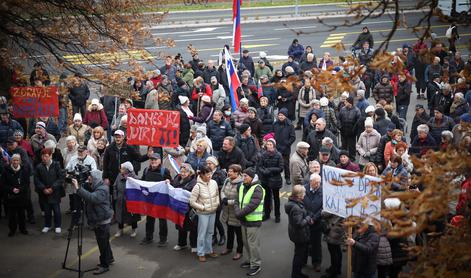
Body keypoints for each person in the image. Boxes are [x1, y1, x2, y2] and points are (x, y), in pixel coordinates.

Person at [73, 170, 114, 275]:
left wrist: (78, 188)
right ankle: (109, 259)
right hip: (99, 219)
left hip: (102, 220)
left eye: (90, 177)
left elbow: (92, 198)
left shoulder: (102, 189)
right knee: (104, 242)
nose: (89, 179)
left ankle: (104, 265)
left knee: (102, 243)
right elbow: (88, 190)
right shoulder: (96, 185)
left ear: (95, 178)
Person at [235, 168, 265, 276]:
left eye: (245, 176)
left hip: (253, 222)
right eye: (243, 176)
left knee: (253, 245)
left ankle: (256, 264)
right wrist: (238, 212)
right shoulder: (242, 186)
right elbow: (236, 201)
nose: (243, 178)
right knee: (246, 242)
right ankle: (250, 260)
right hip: (244, 220)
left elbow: (252, 205)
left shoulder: (258, 188)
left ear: (251, 177)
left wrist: (239, 213)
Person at [189, 165, 220, 262]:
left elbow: (217, 194)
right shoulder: (197, 186)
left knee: (210, 233)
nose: (209, 176)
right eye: (207, 174)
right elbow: (192, 202)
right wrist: (203, 207)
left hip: (213, 212)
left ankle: (209, 250)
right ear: (202, 175)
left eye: (210, 173)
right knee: (202, 234)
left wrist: (217, 203)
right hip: (203, 214)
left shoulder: (214, 183)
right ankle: (201, 253)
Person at [140, 153, 172, 246]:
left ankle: (163, 239)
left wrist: (168, 181)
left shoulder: (164, 171)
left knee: (162, 220)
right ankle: (148, 237)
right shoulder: (146, 170)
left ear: (160, 161)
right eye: (152, 160)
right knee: (149, 220)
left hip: (161, 200)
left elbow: (171, 183)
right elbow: (142, 182)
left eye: (155, 160)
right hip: (149, 200)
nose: (153, 161)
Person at [34, 148, 65, 234]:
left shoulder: (57, 165)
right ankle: (47, 225)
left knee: (56, 210)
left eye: (46, 156)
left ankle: (58, 225)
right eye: (43, 156)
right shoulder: (39, 167)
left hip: (54, 192)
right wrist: (43, 188)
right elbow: (36, 180)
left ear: (51, 156)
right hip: (44, 193)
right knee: (47, 211)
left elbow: (60, 178)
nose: (44, 158)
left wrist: (52, 188)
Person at [285, 184, 312, 278]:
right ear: (299, 195)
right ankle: (296, 274)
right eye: (303, 193)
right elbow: (299, 224)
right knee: (299, 256)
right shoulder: (296, 208)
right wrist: (308, 218)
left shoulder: (292, 202)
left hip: (295, 233)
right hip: (300, 235)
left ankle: (297, 273)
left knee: (299, 254)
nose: (305, 195)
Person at [1, 154, 30, 236]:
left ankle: (23, 229)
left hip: (21, 196)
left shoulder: (24, 170)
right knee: (12, 216)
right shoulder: (6, 170)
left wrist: (20, 189)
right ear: (11, 161)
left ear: (20, 161)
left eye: (17, 160)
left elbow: (27, 183)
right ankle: (12, 230)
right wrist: (12, 189)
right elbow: (3, 185)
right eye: (14, 160)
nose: (15, 162)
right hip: (11, 197)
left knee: (22, 214)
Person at [171, 163, 198, 252]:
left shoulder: (194, 182)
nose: (182, 173)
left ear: (190, 173)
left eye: (185, 172)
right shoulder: (176, 179)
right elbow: (172, 187)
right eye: (181, 171)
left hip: (189, 208)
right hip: (179, 207)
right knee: (180, 226)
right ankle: (181, 244)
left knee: (192, 227)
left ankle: (194, 245)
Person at [220, 164, 244, 260]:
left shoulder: (241, 184)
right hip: (227, 212)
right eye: (229, 171)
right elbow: (222, 191)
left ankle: (239, 251)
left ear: (237, 173)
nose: (229, 173)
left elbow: (241, 200)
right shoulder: (227, 180)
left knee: (239, 234)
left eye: (231, 171)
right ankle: (229, 248)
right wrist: (224, 198)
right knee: (229, 231)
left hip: (236, 213)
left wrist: (228, 202)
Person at [258, 138, 284, 223]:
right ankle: (267, 214)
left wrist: (269, 170)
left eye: (270, 144)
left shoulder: (278, 155)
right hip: (265, 179)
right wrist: (264, 172)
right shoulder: (263, 155)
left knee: (276, 198)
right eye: (267, 144)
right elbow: (260, 166)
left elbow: (280, 168)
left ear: (274, 146)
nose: (268, 146)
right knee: (266, 198)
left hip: (275, 179)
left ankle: (277, 215)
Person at [113, 162, 140, 238]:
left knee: (132, 215)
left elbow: (139, 186)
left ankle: (134, 229)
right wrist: (115, 196)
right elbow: (115, 186)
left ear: (127, 170)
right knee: (119, 215)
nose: (120, 169)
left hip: (130, 199)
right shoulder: (119, 176)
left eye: (122, 168)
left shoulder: (134, 177)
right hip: (120, 199)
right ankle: (120, 230)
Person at [303, 173, 323, 272]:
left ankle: (317, 263)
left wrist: (314, 218)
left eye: (319, 183)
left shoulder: (322, 191)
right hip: (305, 221)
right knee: (304, 243)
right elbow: (301, 205)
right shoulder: (303, 190)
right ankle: (303, 261)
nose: (318, 185)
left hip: (317, 222)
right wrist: (309, 216)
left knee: (316, 244)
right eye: (316, 183)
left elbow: (323, 208)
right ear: (310, 182)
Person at [205, 156, 227, 246]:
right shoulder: (205, 172)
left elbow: (224, 185)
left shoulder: (220, 173)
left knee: (216, 219)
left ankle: (222, 235)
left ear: (215, 164)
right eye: (207, 163)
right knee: (211, 218)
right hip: (207, 198)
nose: (208, 165)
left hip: (217, 199)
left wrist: (215, 187)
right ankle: (213, 236)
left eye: (210, 163)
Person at [273, 108, 296, 185]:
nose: (280, 117)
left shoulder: (290, 125)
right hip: (276, 147)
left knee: (286, 164)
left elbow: (293, 137)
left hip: (285, 148)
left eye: (282, 115)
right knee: (276, 164)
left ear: (285, 116)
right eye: (279, 115)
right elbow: (272, 134)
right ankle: (277, 177)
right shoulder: (275, 124)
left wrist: (287, 144)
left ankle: (287, 178)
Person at [321, 212, 345, 278]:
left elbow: (325, 214)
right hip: (339, 226)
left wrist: (323, 211)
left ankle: (333, 272)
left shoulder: (336, 202)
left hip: (334, 228)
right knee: (337, 249)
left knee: (333, 251)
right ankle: (337, 268)